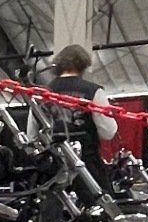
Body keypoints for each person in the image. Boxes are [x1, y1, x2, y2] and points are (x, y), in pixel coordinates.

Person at [45, 44, 119, 185]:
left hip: (52, 169)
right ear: (84, 65)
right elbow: (108, 132)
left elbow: (32, 135)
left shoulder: (43, 93)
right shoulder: (93, 91)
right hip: (87, 167)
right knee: (102, 204)